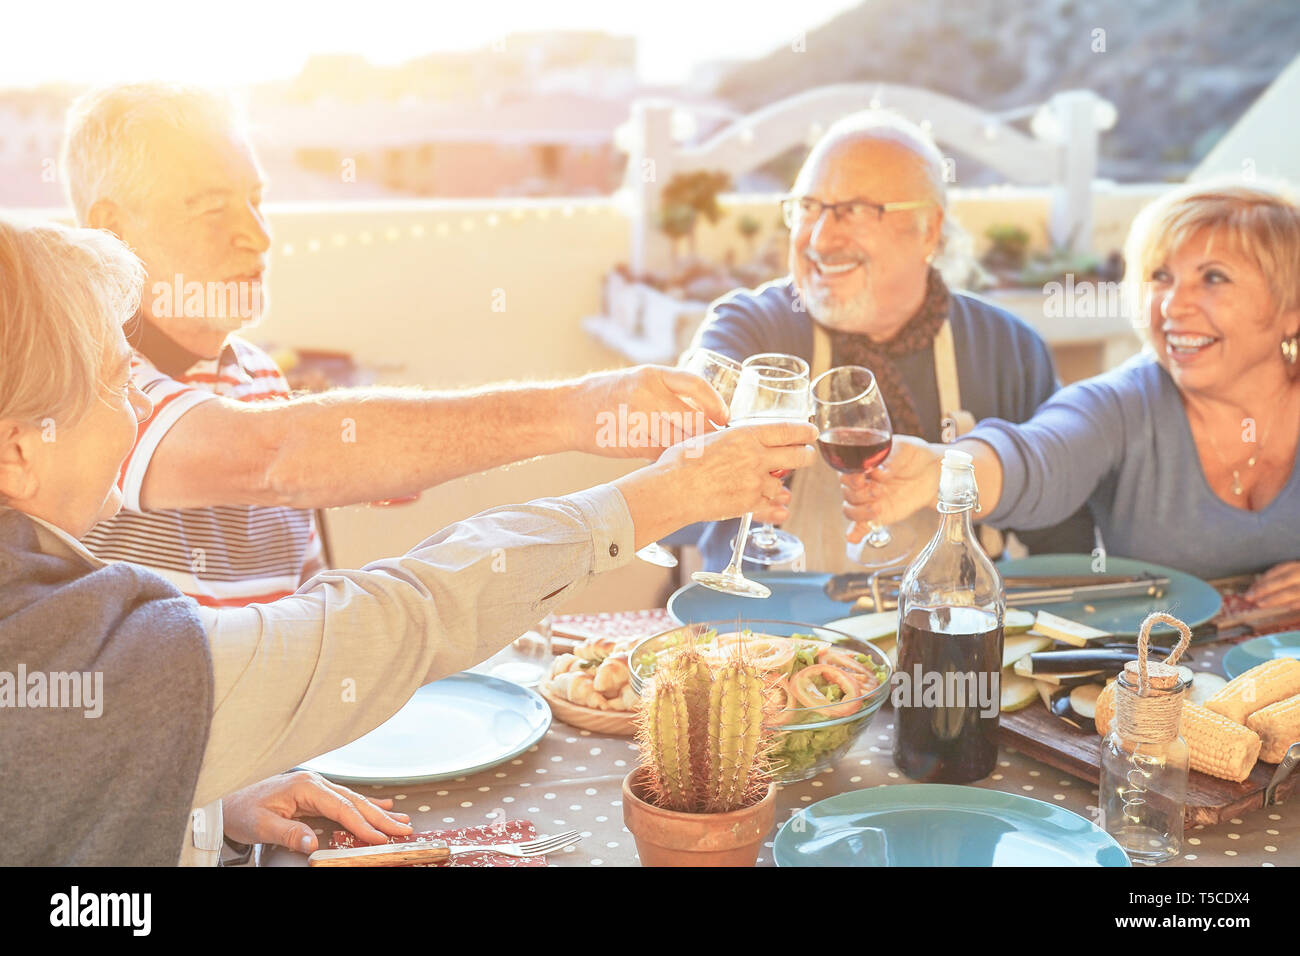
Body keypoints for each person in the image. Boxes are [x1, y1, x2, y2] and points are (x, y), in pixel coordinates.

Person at [0, 217, 817, 865]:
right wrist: (660, 497)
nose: (138, 408)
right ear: (18, 450)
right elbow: (400, 617)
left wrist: (201, 804)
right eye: (113, 384)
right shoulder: (66, 648)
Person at [59, 82, 733, 860]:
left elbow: (298, 609)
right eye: (212, 210)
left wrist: (221, 792)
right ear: (111, 230)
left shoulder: (251, 376)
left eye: (257, 201)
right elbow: (275, 456)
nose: (257, 237)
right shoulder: (85, 382)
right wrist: (584, 410)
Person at [844, 179, 1300, 603]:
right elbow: (1039, 456)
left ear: (1291, 308)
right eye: (1161, 276)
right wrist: (940, 472)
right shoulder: (1124, 403)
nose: (1172, 305)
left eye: (1214, 277)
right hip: (1160, 675)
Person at [681, 111, 1096, 573]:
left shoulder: (1007, 348)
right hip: (769, 637)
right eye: (809, 207)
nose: (820, 237)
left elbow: (1063, 538)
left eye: (855, 210)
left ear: (930, 230)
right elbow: (682, 441)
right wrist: (694, 440)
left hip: (948, 634)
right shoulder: (753, 326)